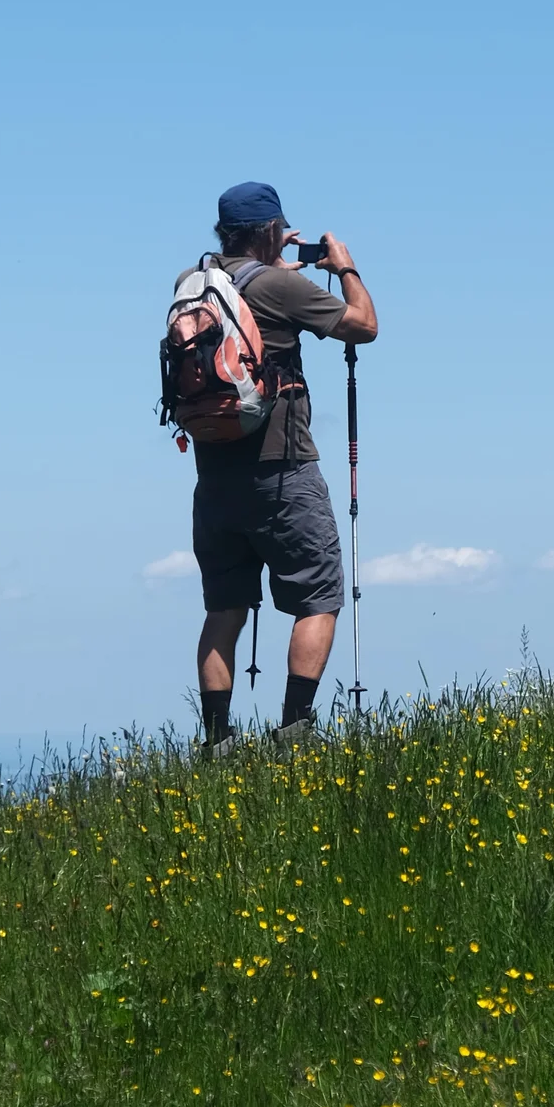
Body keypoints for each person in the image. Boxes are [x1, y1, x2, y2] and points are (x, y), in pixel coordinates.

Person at [188, 181, 377, 746]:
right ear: (272, 230)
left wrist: (273, 265)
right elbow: (363, 326)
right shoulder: (275, 285)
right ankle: (295, 731)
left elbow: (257, 298)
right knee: (318, 595)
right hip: (282, 469)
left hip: (213, 475)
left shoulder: (194, 284)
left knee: (225, 606)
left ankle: (217, 743)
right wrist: (344, 269)